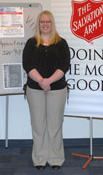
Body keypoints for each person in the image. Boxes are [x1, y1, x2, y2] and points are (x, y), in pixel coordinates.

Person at [22, 10, 70, 171]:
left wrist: (48, 81)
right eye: (42, 21)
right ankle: (40, 159)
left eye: (48, 21)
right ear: (38, 24)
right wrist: (41, 81)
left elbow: (64, 66)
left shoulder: (61, 43)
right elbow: (27, 65)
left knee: (55, 125)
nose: (45, 24)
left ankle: (56, 158)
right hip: (35, 88)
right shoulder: (31, 43)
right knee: (38, 125)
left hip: (57, 89)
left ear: (52, 23)